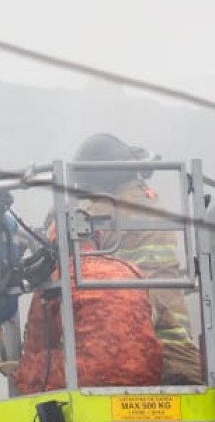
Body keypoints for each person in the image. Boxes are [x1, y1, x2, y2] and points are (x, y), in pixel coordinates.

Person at [65, 134, 205, 387]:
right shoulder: (145, 199)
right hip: (173, 339)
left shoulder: (112, 209)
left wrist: (56, 220)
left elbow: (74, 230)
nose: (90, 195)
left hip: (147, 337)